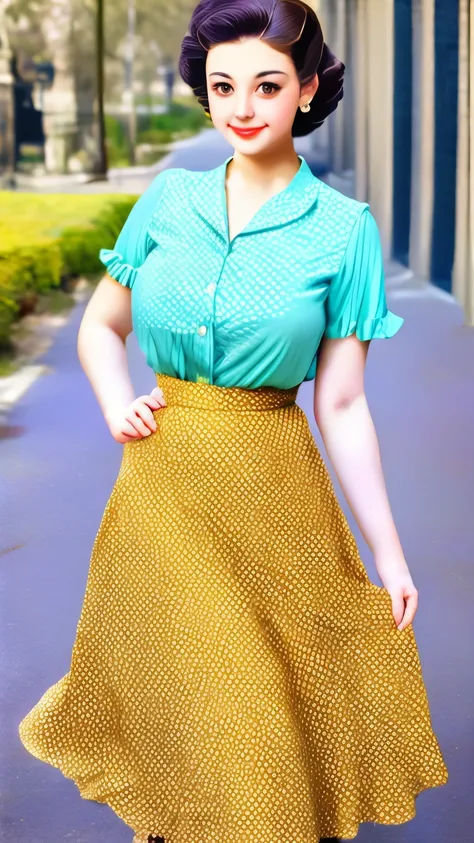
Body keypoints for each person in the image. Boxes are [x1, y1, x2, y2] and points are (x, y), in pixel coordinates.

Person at [17, 1, 449, 841]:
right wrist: (117, 399)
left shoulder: (342, 230)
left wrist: (387, 552)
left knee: (254, 719)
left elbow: (343, 401)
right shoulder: (169, 201)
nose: (242, 106)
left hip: (275, 494)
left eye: (266, 84)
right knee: (192, 701)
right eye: (222, 86)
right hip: (164, 491)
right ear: (204, 94)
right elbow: (103, 328)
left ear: (309, 89)